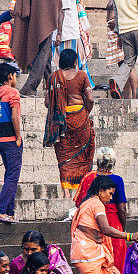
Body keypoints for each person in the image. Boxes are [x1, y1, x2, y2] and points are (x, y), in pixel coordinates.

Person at [71, 175, 138, 274]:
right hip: (87, 254)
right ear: (101, 190)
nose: (111, 198)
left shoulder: (87, 203)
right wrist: (129, 236)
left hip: (87, 252)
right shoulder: (97, 204)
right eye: (109, 194)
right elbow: (105, 229)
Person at [43, 49, 95, 198]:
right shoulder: (82, 76)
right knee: (83, 155)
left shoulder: (53, 78)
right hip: (80, 119)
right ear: (74, 61)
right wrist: (86, 113)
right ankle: (82, 191)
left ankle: (66, 192)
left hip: (61, 123)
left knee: (64, 156)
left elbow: (47, 103)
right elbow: (90, 99)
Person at [12, 0, 61, 97]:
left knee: (44, 55)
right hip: (45, 20)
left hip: (32, 20)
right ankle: (29, 87)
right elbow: (56, 0)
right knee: (42, 53)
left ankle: (54, 88)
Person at [73, 148, 129, 274]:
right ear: (113, 163)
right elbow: (122, 209)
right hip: (113, 225)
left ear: (97, 162)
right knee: (116, 260)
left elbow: (80, 204)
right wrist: (123, 229)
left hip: (92, 225)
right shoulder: (117, 180)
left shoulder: (88, 178)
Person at [0, 63, 23, 223]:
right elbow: (15, 117)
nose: (16, 79)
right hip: (11, 140)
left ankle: (9, 213)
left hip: (0, 139)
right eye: (15, 76)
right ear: (10, 76)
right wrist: (18, 137)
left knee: (10, 175)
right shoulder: (12, 93)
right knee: (13, 176)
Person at [52, 0, 93, 85]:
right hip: (66, 33)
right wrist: (59, 34)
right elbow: (61, 11)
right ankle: (76, 85)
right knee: (70, 62)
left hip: (64, 31)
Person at [105, 0, 138, 98]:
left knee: (128, 65)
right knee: (123, 65)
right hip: (114, 34)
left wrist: (117, 24)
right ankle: (127, 96)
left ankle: (134, 95)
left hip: (121, 33)